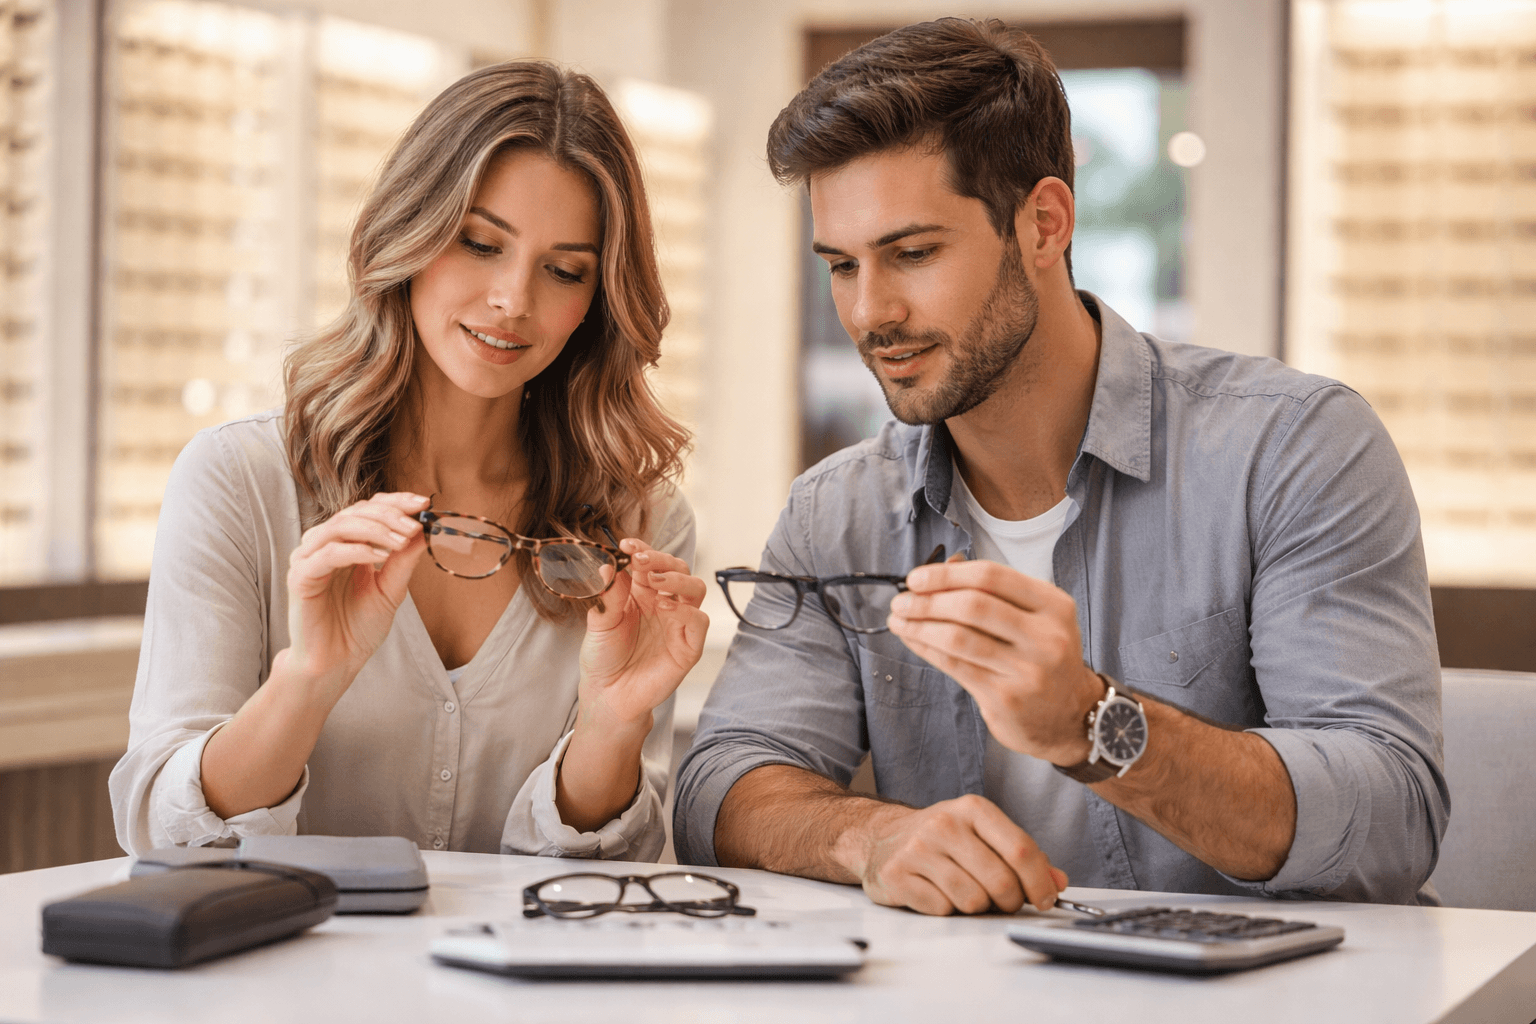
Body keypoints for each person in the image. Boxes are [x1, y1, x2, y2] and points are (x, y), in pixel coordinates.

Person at [674, 18, 1446, 911]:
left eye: (913, 253)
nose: (869, 312)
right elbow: (722, 784)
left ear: (1044, 223)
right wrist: (870, 836)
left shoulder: (1293, 449)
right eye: (841, 266)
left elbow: (1392, 817)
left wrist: (1093, 724)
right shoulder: (835, 510)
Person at [111, 61, 708, 861]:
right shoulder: (239, 481)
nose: (513, 300)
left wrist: (610, 727)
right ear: (410, 232)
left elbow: (599, 883)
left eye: (563, 270)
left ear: (597, 299)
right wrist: (310, 679)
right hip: (275, 982)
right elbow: (163, 831)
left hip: (520, 985)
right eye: (479, 243)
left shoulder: (643, 524)